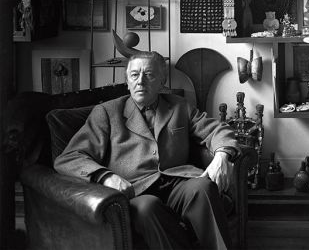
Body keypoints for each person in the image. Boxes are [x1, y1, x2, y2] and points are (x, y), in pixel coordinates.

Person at [54, 51, 241, 250]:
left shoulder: (179, 106)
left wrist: (223, 155)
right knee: (147, 208)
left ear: (162, 82)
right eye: (134, 75)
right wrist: (104, 177)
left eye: (149, 75)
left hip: (177, 182)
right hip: (135, 190)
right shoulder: (107, 113)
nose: (140, 82)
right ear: (127, 81)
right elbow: (69, 157)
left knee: (203, 187)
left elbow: (216, 130)